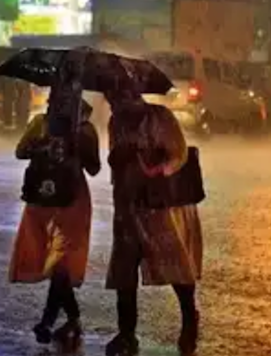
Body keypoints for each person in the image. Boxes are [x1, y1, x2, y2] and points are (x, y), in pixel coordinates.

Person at [103, 84, 203, 356]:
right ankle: (126, 334)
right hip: (127, 203)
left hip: (160, 203)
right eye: (111, 97)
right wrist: (119, 155)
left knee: (175, 263)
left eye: (119, 95)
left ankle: (189, 319)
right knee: (125, 269)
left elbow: (178, 153)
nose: (115, 101)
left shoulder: (161, 117)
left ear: (134, 93)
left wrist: (159, 168)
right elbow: (113, 160)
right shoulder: (116, 122)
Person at [8, 99, 101, 347]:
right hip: (41, 198)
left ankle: (47, 322)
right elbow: (20, 152)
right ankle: (73, 317)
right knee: (51, 261)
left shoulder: (84, 128)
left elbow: (94, 168)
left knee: (60, 261)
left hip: (72, 201)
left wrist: (79, 145)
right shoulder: (40, 122)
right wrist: (41, 145)